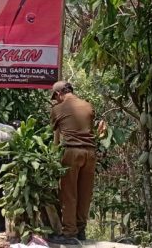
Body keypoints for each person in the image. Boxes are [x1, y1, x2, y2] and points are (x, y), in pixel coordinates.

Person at [48, 81, 97, 245]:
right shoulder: (88, 106)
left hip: (71, 151)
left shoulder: (57, 109)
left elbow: (56, 133)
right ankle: (81, 230)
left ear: (58, 94)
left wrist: (54, 155)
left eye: (55, 97)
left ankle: (69, 232)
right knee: (85, 193)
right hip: (90, 153)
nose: (56, 100)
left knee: (68, 193)